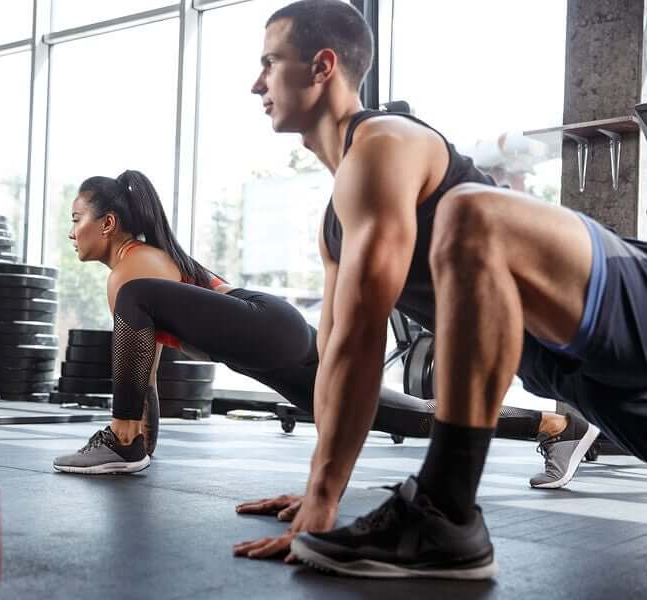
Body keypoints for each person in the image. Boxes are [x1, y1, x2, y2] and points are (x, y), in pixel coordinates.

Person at [233, 0, 646, 579]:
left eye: (269, 63)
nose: (257, 84)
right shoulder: (336, 222)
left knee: (473, 213)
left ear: (322, 66)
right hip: (583, 378)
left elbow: (359, 340)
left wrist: (325, 502)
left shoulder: (385, 144)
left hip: (631, 301)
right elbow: (333, 358)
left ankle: (446, 512)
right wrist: (319, 490)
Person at [51, 170, 594, 488]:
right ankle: (557, 428)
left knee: (135, 301)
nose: (71, 231)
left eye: (77, 218)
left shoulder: (133, 270)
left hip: (266, 325)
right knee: (404, 415)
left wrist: (128, 442)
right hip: (276, 345)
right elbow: (141, 370)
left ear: (108, 222)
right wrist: (140, 442)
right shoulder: (136, 271)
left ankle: (120, 443)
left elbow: (141, 367)